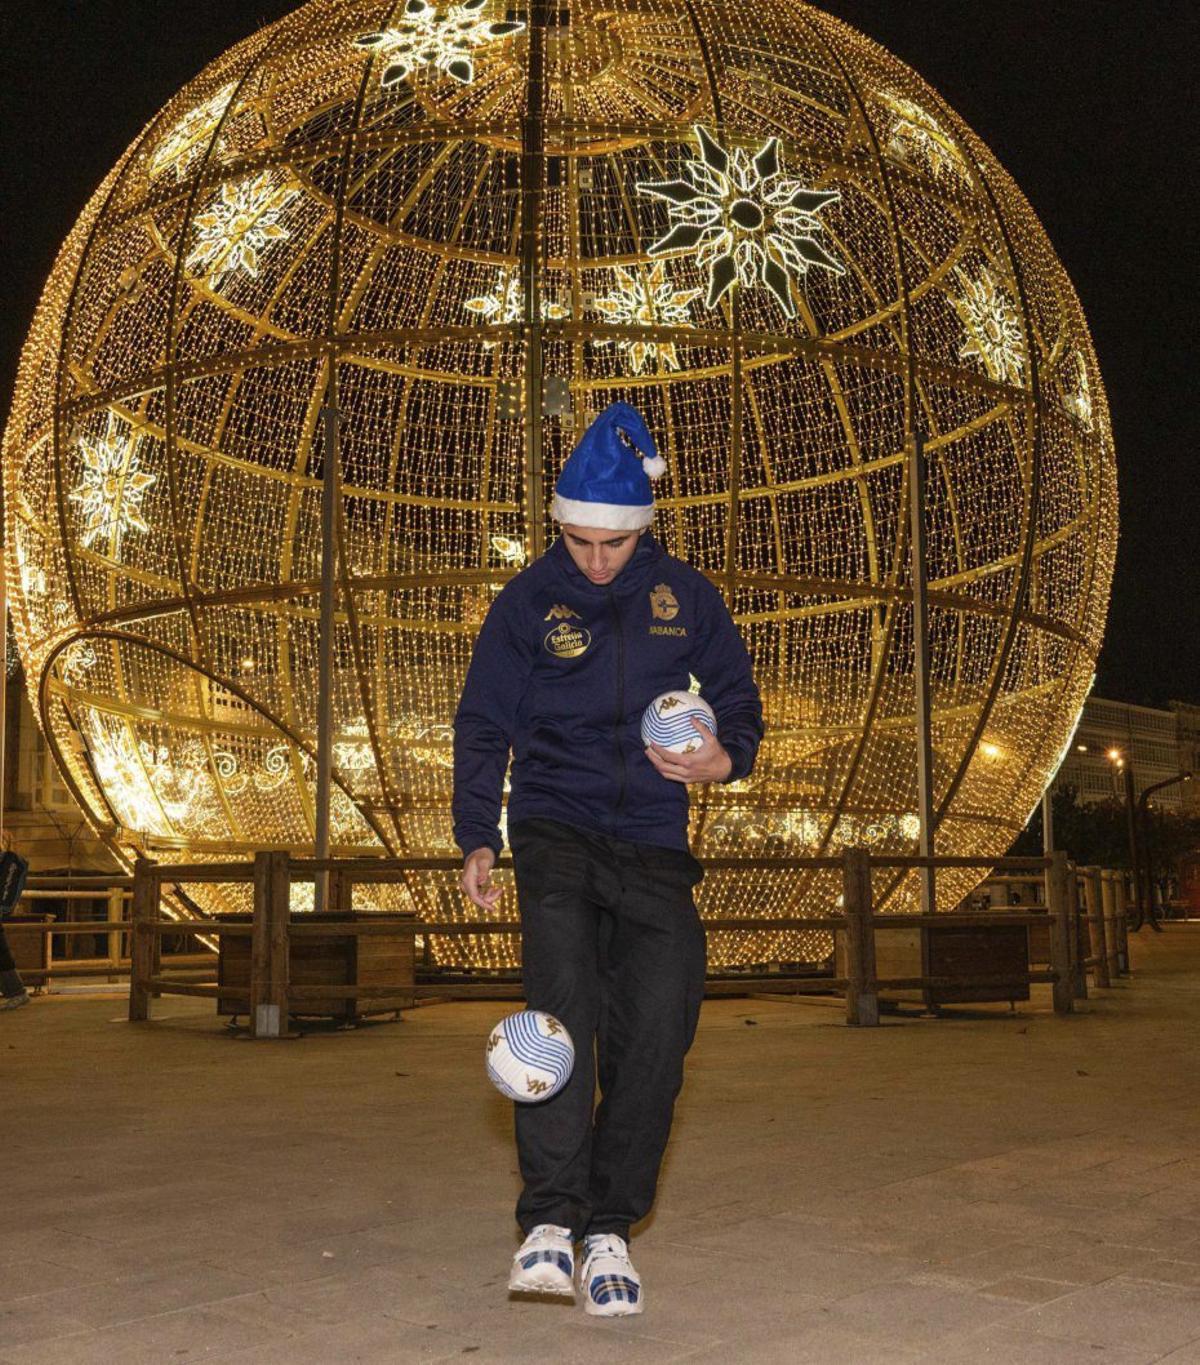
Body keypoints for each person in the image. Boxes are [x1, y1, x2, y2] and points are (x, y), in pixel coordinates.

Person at [452, 401, 763, 1316]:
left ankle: (609, 1227)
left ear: (641, 532)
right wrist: (478, 830)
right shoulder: (527, 601)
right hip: (555, 829)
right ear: (559, 524)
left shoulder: (685, 598)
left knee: (660, 1032)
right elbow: (484, 721)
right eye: (579, 540)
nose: (594, 561)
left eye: (612, 545)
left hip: (656, 845)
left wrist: (723, 758)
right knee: (558, 1020)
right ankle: (550, 1220)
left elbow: (739, 698)